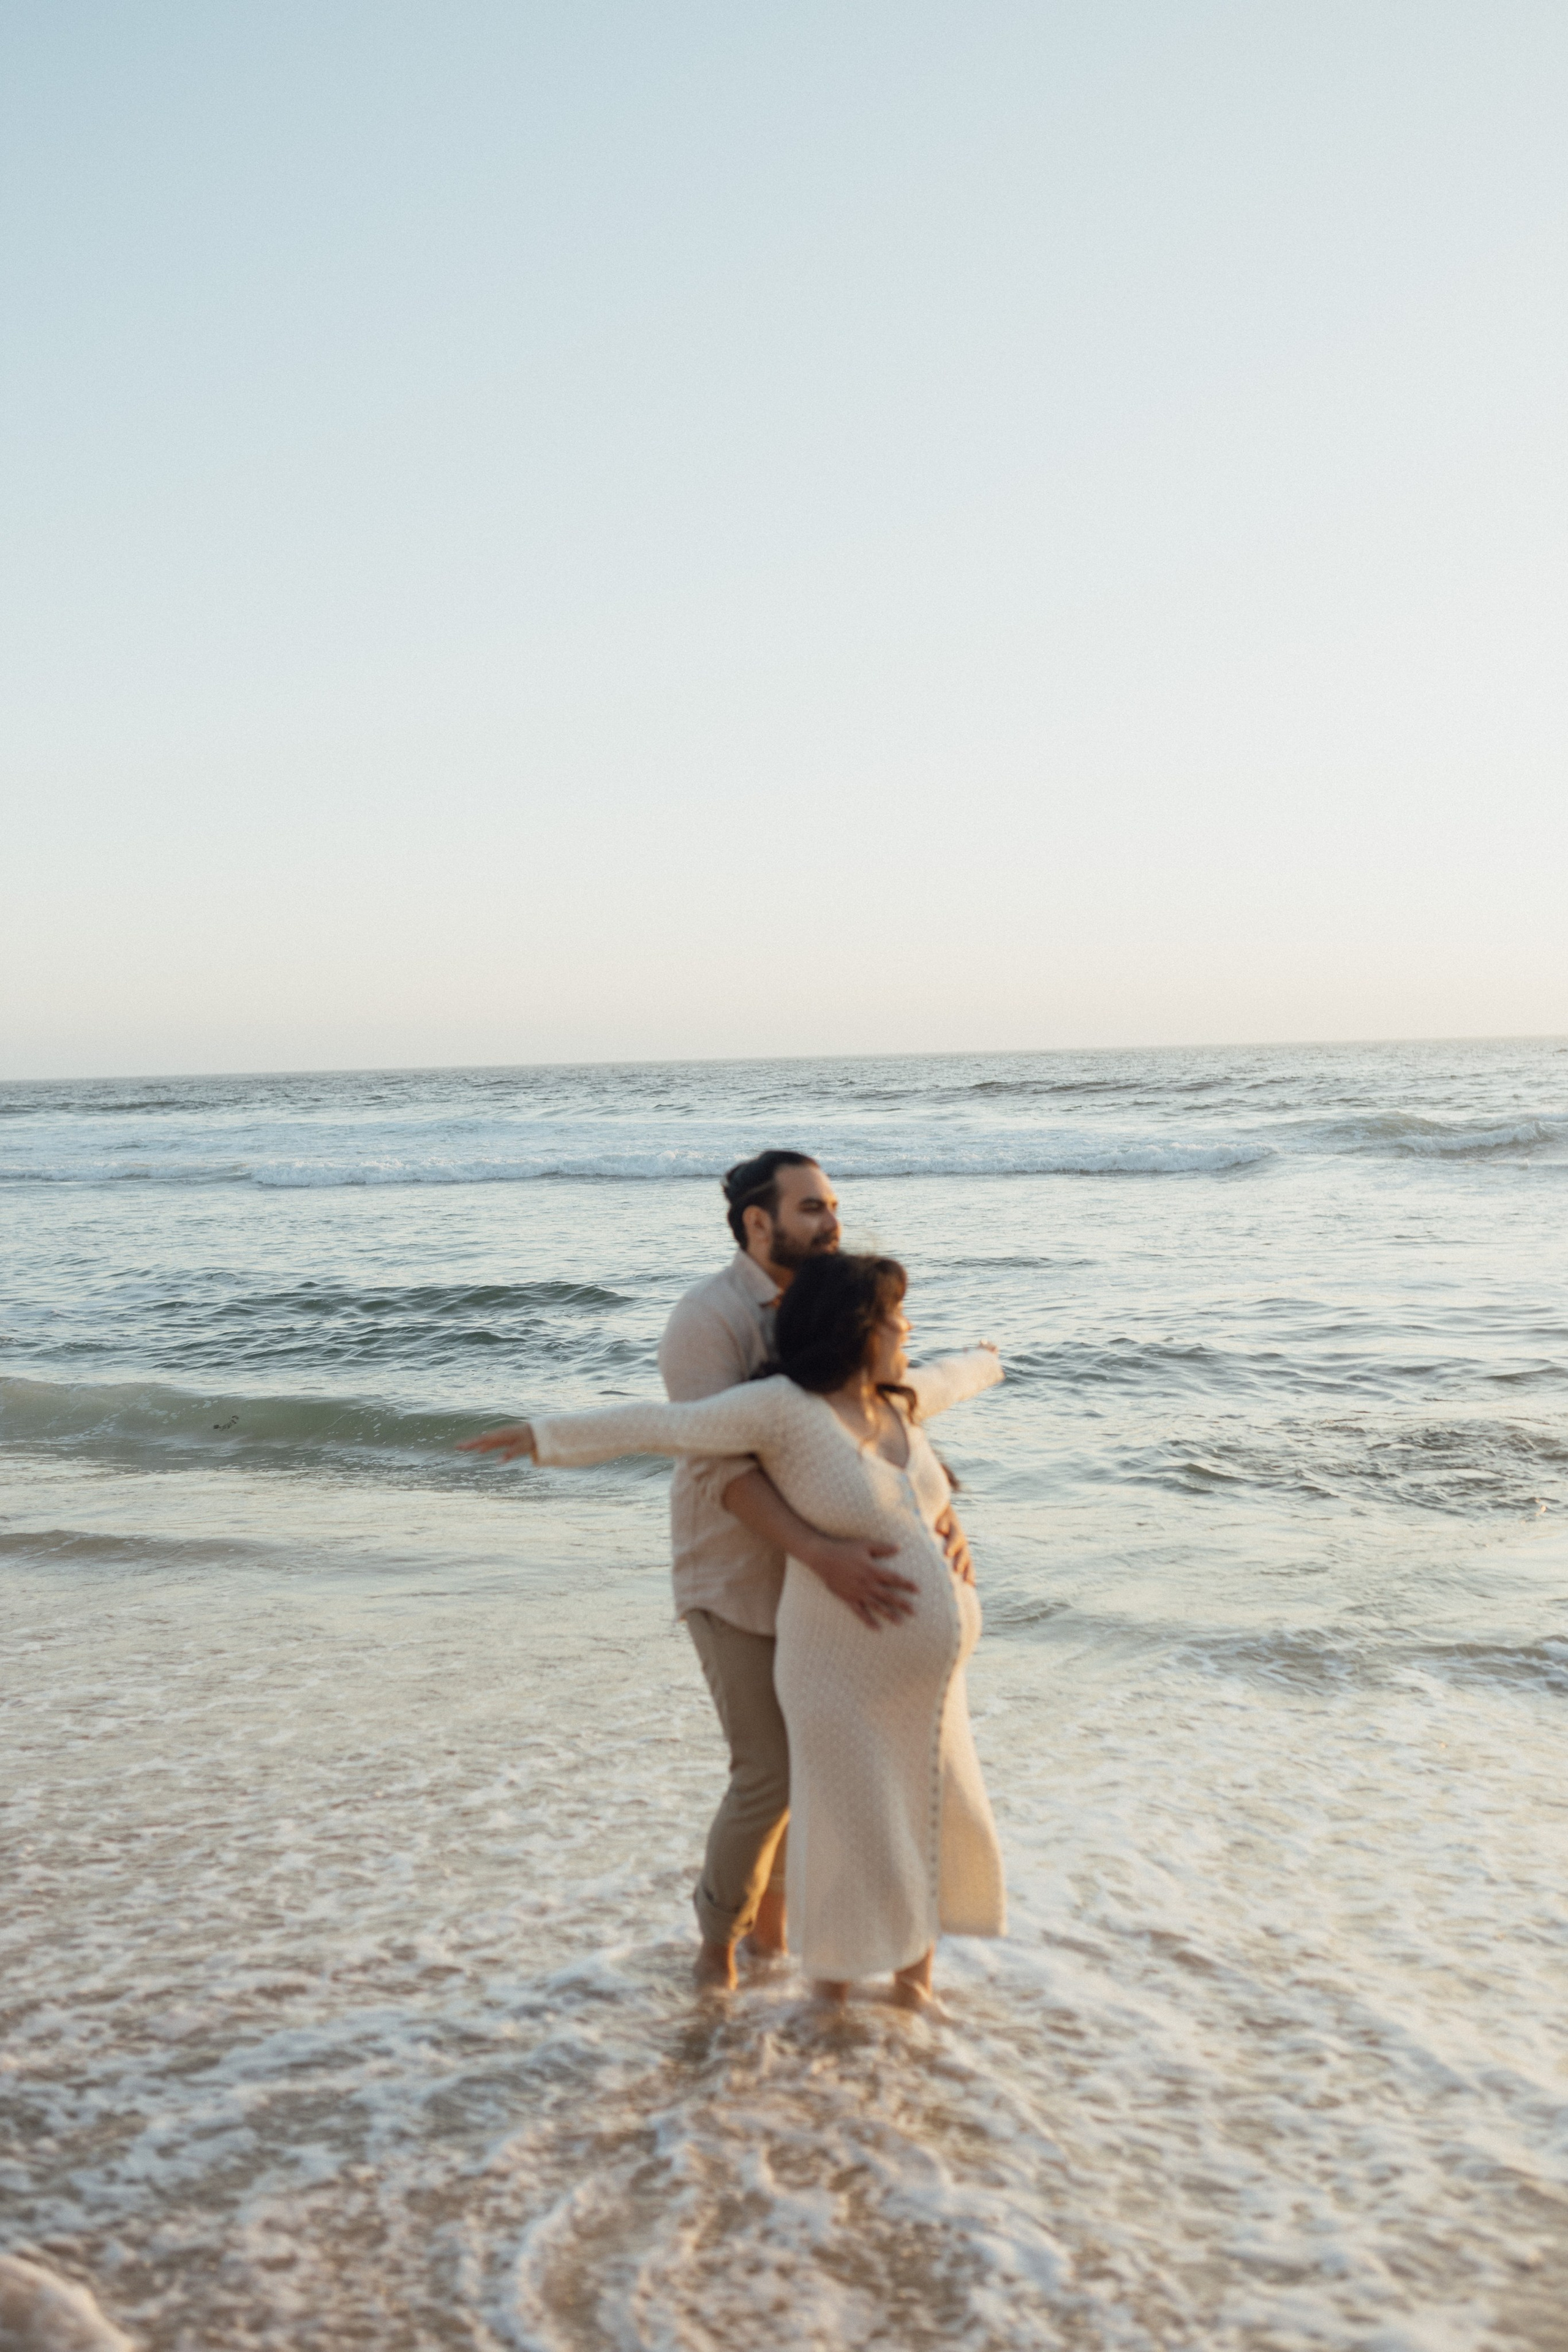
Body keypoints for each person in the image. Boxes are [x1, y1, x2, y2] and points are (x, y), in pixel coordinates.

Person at [462, 1252, 1006, 2008]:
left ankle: (915, 1992)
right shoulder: (784, 1410)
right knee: (854, 1822)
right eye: (893, 1314)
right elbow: (663, 1426)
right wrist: (542, 1436)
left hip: (928, 1683)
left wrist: (989, 1358)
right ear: (858, 1327)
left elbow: (955, 1376)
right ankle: (833, 2011)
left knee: (929, 1809)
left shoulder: (897, 1400)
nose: (906, 1326)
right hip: (837, 1667)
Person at [655, 1150, 974, 1989]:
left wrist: (941, 1517)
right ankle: (716, 1955)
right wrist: (822, 1553)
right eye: (811, 1209)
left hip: (827, 1587)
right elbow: (720, 1469)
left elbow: (887, 1419)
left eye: (833, 1205)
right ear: (758, 1224)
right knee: (770, 1775)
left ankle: (778, 1941)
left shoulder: (840, 1298)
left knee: (827, 1767)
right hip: (736, 1576)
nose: (832, 1222)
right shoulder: (707, 1320)